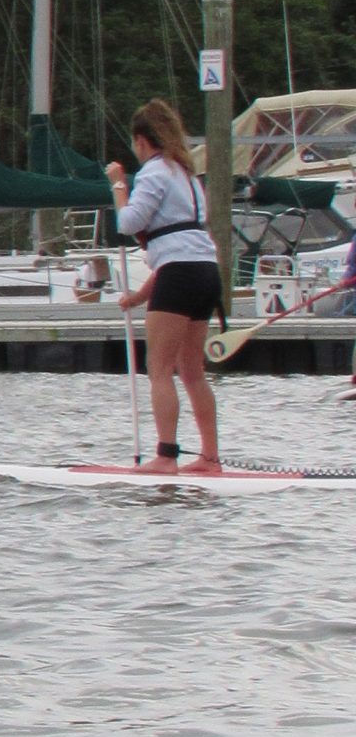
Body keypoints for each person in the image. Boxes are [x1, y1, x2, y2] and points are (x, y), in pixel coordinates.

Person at [107, 98, 224, 474]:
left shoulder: (154, 173)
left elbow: (128, 223)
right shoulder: (187, 175)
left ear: (142, 140)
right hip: (205, 271)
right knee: (192, 371)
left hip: (182, 274)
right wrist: (139, 297)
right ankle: (209, 457)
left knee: (159, 370)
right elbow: (178, 247)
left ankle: (166, 457)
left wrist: (118, 186)